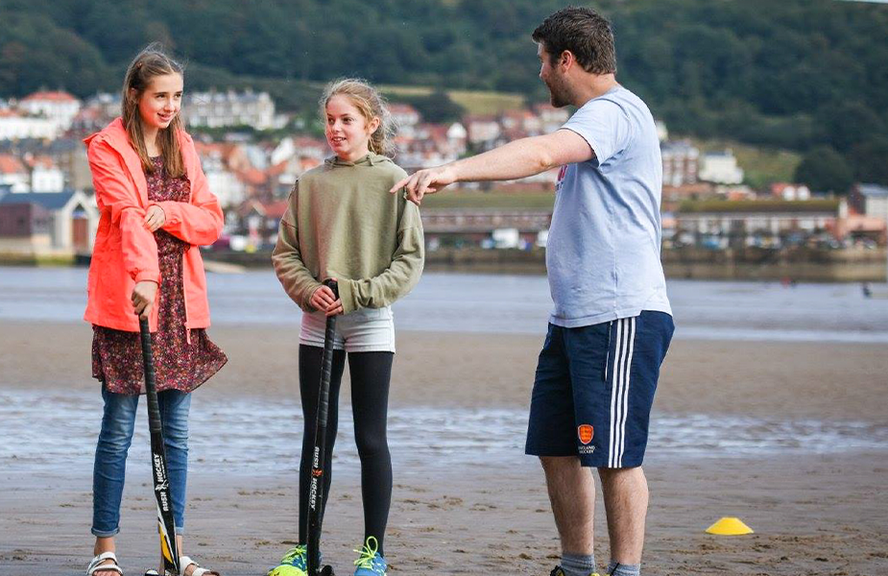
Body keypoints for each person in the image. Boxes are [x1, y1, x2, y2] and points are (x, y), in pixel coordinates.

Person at [393, 8, 674, 576]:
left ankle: (625, 571)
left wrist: (452, 171)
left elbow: (540, 153)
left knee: (614, 455)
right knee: (556, 447)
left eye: (543, 61)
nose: (540, 73)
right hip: (573, 317)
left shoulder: (615, 112)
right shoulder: (597, 119)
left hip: (619, 312)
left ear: (567, 60)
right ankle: (576, 567)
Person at [269, 78, 425, 576]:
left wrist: (355, 293)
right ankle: (307, 550)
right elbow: (285, 255)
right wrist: (307, 290)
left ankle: (372, 552)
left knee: (370, 439)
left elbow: (409, 263)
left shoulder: (395, 181)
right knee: (317, 437)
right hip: (317, 323)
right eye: (330, 120)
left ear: (371, 125)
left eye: (347, 120)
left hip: (371, 322)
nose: (336, 129)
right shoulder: (309, 184)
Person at [82, 44, 227, 576]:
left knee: (176, 436)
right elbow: (125, 215)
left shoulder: (183, 146)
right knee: (119, 430)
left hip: (180, 304)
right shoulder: (107, 147)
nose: (170, 106)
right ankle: (105, 550)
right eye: (160, 95)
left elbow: (211, 221)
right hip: (131, 299)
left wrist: (167, 211)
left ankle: (173, 551)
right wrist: (145, 276)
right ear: (134, 94)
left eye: (177, 96)